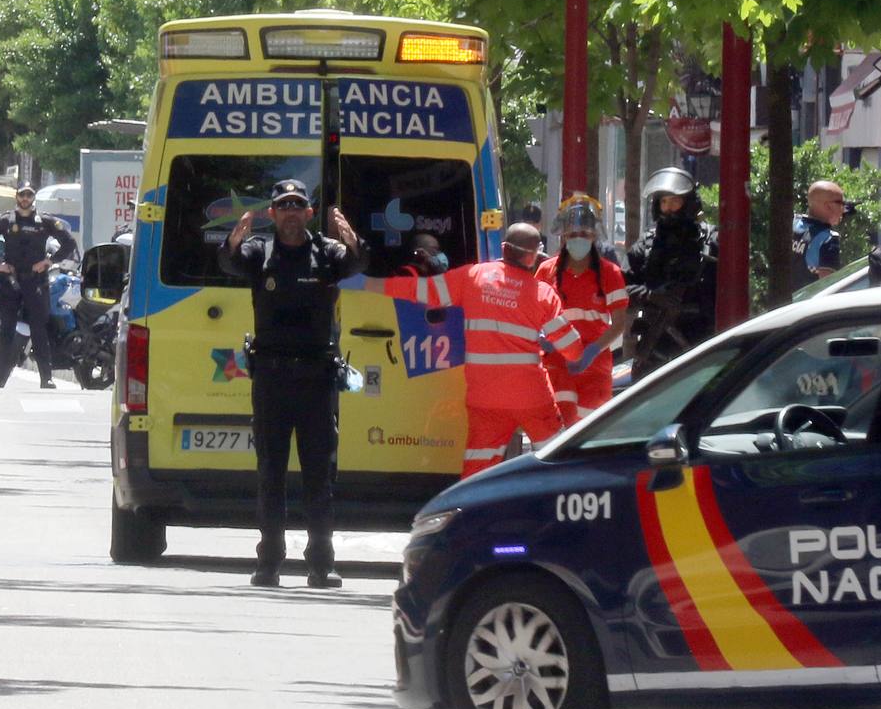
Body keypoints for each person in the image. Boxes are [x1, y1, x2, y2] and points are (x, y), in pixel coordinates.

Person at [220, 179, 365, 588]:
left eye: (297, 205)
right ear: (273, 213)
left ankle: (321, 562)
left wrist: (352, 239)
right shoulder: (260, 251)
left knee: (319, 474)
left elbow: (355, 264)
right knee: (271, 471)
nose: (290, 212)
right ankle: (269, 560)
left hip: (316, 380)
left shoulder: (326, 252)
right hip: (271, 378)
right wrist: (233, 242)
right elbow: (231, 263)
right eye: (283, 205)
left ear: (308, 213)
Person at [363, 223, 583, 478]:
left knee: (479, 465)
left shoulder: (473, 276)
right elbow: (572, 351)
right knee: (554, 458)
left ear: (504, 248)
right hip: (530, 396)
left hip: (484, 396)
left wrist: (367, 284)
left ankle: (469, 512)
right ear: (533, 256)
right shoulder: (543, 293)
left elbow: (420, 290)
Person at [537, 198, 629, 426]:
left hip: (595, 367)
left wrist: (592, 350)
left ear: (594, 237)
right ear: (563, 236)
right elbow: (532, 314)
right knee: (558, 430)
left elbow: (619, 323)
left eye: (584, 234)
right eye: (572, 234)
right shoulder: (546, 271)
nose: (578, 239)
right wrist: (540, 338)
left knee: (590, 431)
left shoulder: (610, 273)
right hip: (557, 363)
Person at [0, 183, 79, 389]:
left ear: (33, 198)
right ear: (16, 197)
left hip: (35, 281)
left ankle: (46, 378)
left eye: (29, 195)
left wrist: (49, 261)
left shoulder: (44, 221)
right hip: (11, 283)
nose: (25, 198)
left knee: (39, 330)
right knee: (5, 329)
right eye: (22, 195)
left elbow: (69, 243)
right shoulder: (6, 220)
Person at [626, 167, 713, 374]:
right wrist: (651, 295)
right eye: (664, 201)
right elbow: (621, 288)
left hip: (703, 345)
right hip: (655, 347)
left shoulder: (710, 241)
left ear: (688, 203)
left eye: (675, 201)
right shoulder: (646, 244)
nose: (669, 208)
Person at [791, 180, 846, 290]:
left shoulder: (792, 222)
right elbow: (828, 286)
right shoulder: (828, 239)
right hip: (808, 304)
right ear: (828, 206)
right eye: (841, 203)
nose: (843, 209)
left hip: (781, 303)